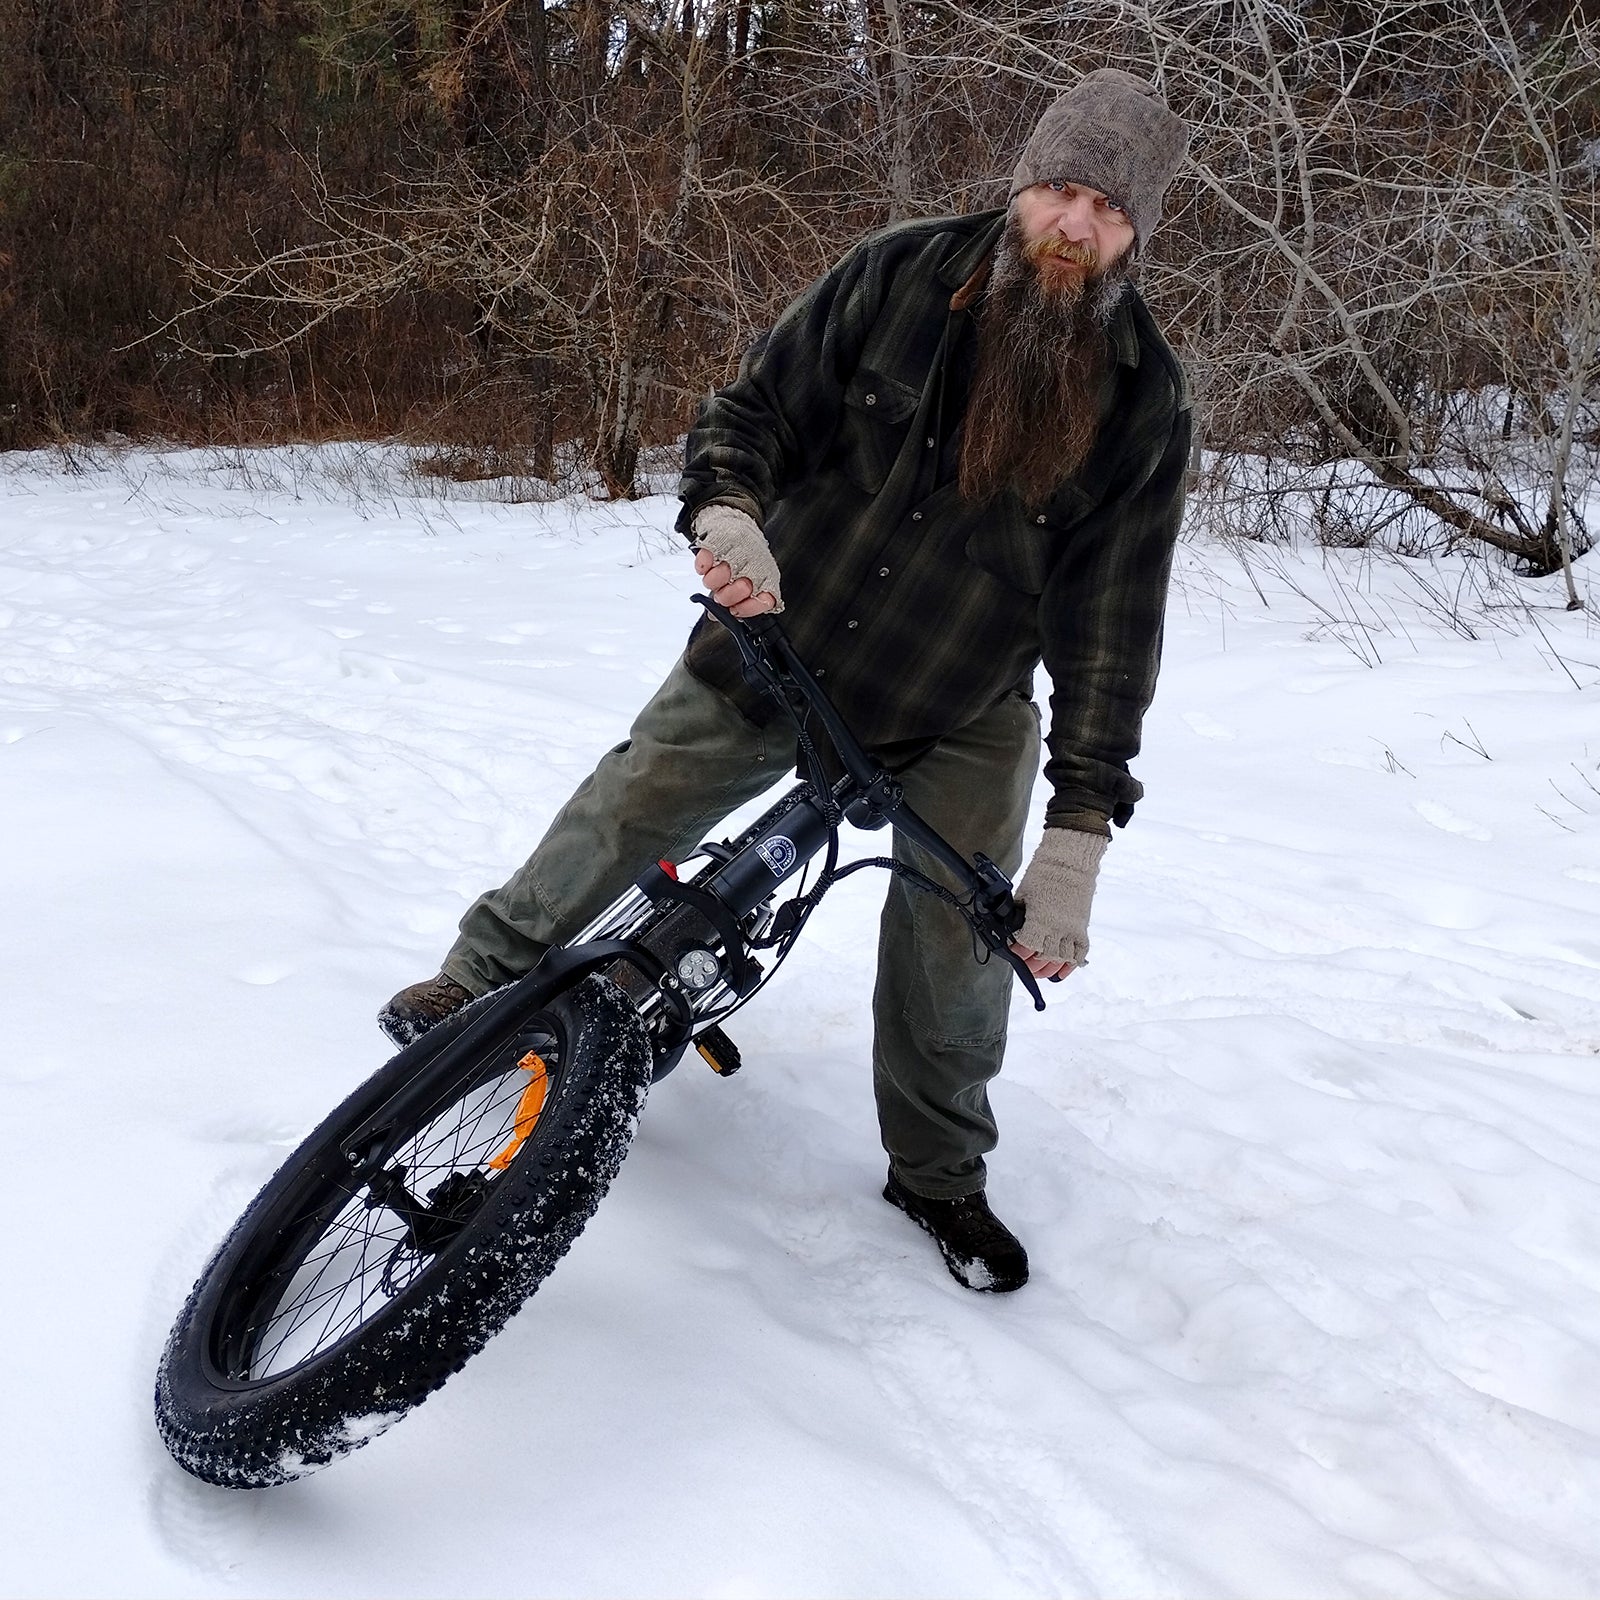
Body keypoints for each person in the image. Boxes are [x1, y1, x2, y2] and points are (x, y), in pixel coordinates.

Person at [381, 69, 1192, 1294]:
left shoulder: (1141, 398)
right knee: (639, 795)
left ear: (1136, 235)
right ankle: (480, 978)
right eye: (1062, 193)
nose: (1077, 228)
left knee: (957, 936)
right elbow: (752, 412)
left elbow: (1110, 623)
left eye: (1109, 212)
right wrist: (726, 510)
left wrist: (1079, 829)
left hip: (953, 705)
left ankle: (937, 1173)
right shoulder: (898, 275)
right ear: (1022, 189)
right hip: (780, 630)